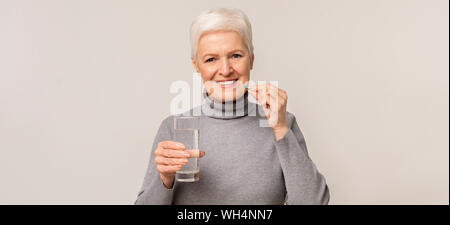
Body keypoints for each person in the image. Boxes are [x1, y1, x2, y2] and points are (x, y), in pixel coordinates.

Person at [135, 8, 329, 205]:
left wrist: (280, 130)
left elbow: (314, 202)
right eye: (211, 59)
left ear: (251, 59)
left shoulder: (283, 123)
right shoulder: (173, 128)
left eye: (236, 56)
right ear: (196, 65)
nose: (225, 70)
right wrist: (165, 181)